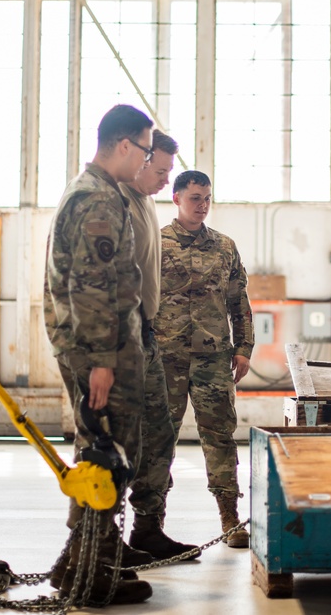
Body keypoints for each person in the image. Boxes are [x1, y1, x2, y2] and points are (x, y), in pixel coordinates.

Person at [43, 103, 154, 605]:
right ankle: (93, 573)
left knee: (99, 452)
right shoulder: (99, 203)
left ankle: (80, 562)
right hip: (100, 352)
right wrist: (104, 363)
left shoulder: (91, 192)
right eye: (145, 151)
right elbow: (90, 287)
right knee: (107, 457)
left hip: (95, 347)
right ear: (125, 145)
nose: (146, 162)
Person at [154, 170, 254, 549]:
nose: (203, 205)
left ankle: (230, 520)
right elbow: (140, 300)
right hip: (166, 359)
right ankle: (153, 522)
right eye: (195, 198)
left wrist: (244, 347)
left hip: (213, 359)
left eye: (208, 198)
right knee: (159, 440)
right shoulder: (156, 243)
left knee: (220, 437)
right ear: (177, 198)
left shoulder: (224, 247)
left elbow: (238, 301)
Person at [119, 131, 200, 561]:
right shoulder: (113, 202)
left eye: (171, 170)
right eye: (162, 170)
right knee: (115, 442)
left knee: (159, 436)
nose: (167, 179)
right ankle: (100, 540)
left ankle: (147, 529)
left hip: (145, 336)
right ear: (136, 159)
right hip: (119, 340)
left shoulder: (145, 200)